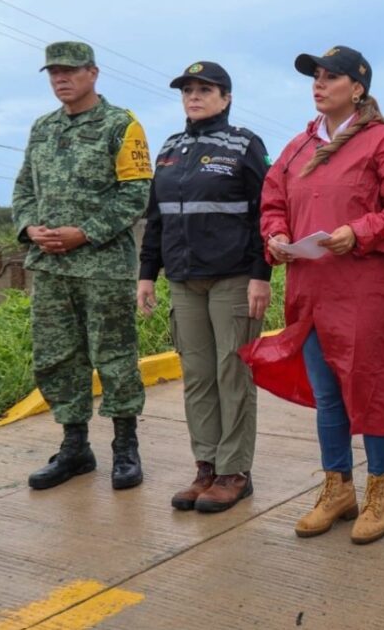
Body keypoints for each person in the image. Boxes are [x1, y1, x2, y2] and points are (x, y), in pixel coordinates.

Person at [241, 46, 384, 545]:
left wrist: (359, 231)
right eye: (315, 77)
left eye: (330, 77)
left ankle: (379, 491)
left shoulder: (383, 142)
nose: (318, 85)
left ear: (358, 87)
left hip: (364, 290)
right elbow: (273, 200)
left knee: (370, 390)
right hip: (311, 289)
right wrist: (276, 236)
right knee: (328, 398)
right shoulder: (300, 147)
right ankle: (337, 487)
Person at [12, 41, 152, 491]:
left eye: (69, 71)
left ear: (93, 72)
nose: (60, 79)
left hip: (103, 267)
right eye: (53, 72)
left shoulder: (122, 125)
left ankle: (125, 448)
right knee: (56, 358)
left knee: (114, 358)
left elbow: (135, 195)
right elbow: (22, 190)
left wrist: (84, 232)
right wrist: (30, 227)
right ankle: (75, 448)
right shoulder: (41, 128)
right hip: (51, 268)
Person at [137, 61, 271, 513]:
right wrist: (145, 274)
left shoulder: (245, 144)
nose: (194, 96)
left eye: (205, 89)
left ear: (226, 97)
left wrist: (261, 275)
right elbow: (156, 219)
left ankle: (235, 473)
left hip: (232, 278)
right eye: (187, 90)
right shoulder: (171, 149)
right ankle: (206, 468)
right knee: (197, 377)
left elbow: (264, 215)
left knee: (232, 375)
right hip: (183, 280)